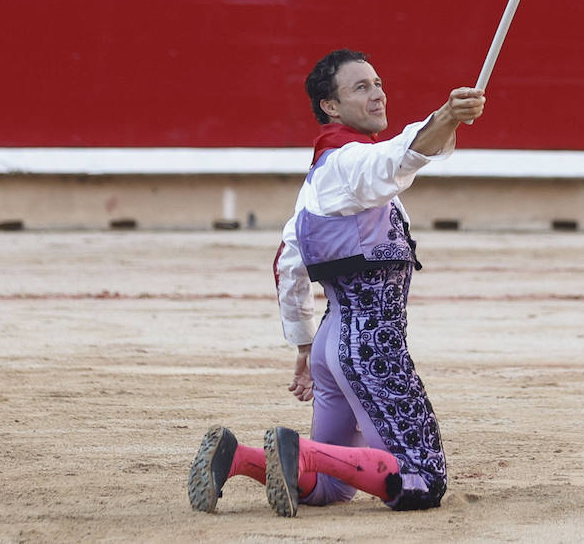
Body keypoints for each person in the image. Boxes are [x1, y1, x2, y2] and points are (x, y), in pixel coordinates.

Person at [186, 48, 485, 517]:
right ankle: (301, 451)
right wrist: (447, 116)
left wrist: (306, 348)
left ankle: (239, 457)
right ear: (330, 106)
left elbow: (287, 265)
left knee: (328, 489)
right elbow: (394, 159)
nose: (377, 95)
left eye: (379, 84)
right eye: (361, 88)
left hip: (333, 342)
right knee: (421, 481)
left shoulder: (316, 184)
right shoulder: (349, 164)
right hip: (371, 347)